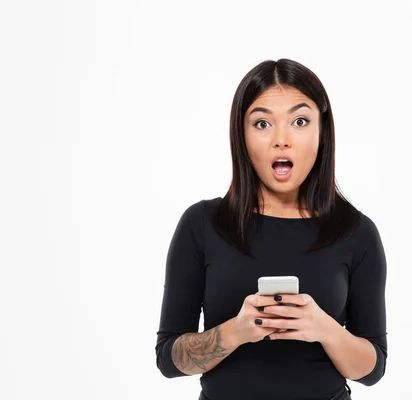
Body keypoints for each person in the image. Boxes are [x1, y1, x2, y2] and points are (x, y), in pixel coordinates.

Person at [155, 58, 387, 400]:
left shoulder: (356, 232)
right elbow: (169, 359)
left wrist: (324, 329)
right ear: (241, 136)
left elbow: (372, 369)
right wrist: (237, 331)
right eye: (262, 123)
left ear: (322, 132)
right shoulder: (202, 224)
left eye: (300, 121)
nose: (282, 139)